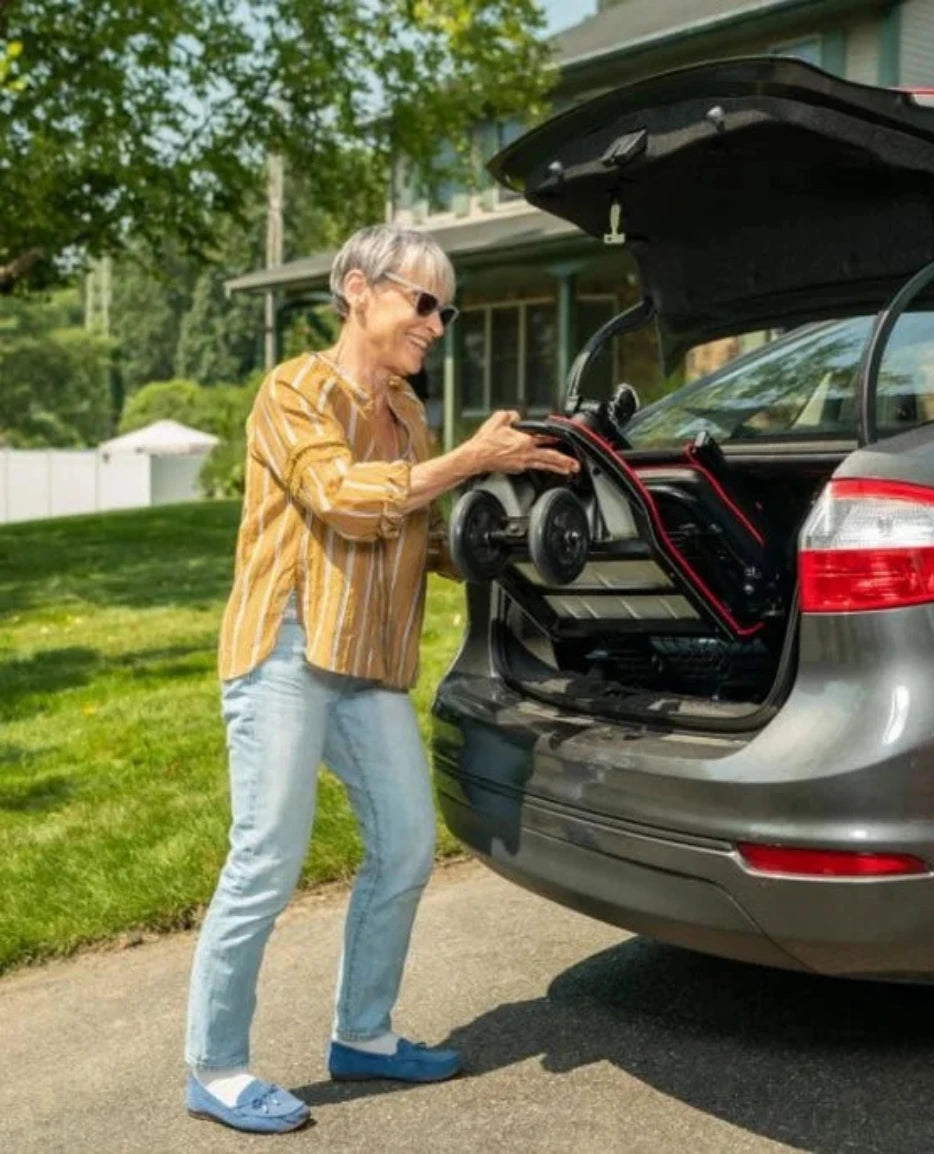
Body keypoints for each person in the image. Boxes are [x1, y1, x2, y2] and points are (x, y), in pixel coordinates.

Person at [184, 224, 578, 1133]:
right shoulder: (294, 391)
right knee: (267, 856)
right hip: (285, 648)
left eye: (446, 309)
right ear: (360, 290)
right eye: (423, 302)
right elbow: (346, 498)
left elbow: (420, 534)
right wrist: (469, 460)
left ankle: (362, 1034)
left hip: (365, 664)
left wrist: (512, 532)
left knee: (404, 843)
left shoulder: (406, 413)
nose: (437, 323)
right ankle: (216, 1065)